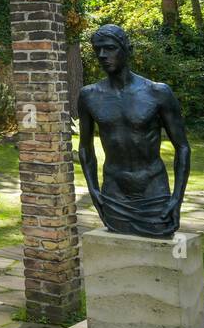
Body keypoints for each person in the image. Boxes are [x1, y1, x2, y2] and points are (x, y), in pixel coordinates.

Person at [77, 24, 190, 239]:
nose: (102, 55)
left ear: (127, 49)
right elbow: (85, 147)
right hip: (114, 191)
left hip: (153, 188)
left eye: (110, 48)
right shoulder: (89, 96)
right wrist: (93, 190)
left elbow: (182, 147)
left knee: (161, 239)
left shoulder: (157, 93)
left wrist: (177, 198)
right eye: (97, 49)